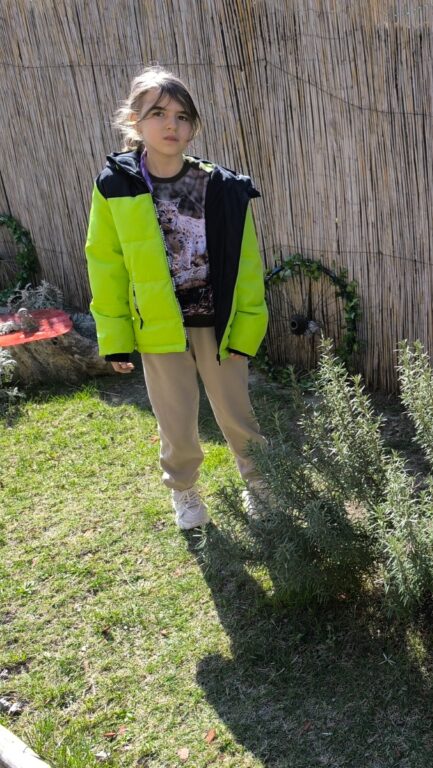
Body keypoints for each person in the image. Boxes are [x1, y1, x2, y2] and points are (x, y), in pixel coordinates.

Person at [85, 66, 268, 530]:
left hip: (217, 324)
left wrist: (247, 327)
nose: (172, 125)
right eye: (158, 113)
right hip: (159, 329)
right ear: (134, 121)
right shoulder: (115, 186)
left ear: (193, 127)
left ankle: (261, 485)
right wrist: (116, 336)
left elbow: (247, 265)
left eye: (183, 116)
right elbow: (105, 263)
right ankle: (184, 493)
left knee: (237, 415)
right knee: (176, 421)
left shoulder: (222, 187)